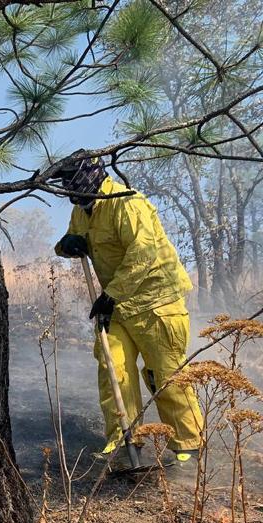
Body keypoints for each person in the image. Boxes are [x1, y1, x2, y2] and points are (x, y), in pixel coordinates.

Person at [52, 152, 203, 464]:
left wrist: (112, 295)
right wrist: (66, 245)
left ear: (91, 175)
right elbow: (74, 239)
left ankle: (187, 443)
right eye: (66, 182)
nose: (69, 187)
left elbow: (144, 254)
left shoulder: (126, 201)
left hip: (157, 301)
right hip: (117, 306)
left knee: (165, 373)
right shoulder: (84, 211)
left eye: (73, 179)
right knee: (112, 368)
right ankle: (124, 439)